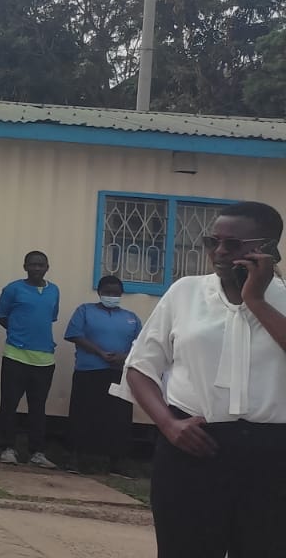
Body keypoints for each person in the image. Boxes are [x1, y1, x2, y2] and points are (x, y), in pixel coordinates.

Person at [119, 201, 286, 557]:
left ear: (268, 249)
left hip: (273, 456)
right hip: (191, 447)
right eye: (212, 242)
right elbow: (139, 368)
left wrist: (255, 300)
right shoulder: (185, 293)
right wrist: (168, 424)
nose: (219, 252)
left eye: (233, 244)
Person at [64, 275, 140, 476]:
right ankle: (75, 459)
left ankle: (117, 463)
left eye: (116, 293)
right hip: (89, 371)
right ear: (99, 292)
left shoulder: (131, 317)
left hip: (119, 373)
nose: (111, 296)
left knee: (118, 418)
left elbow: (141, 345)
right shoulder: (85, 310)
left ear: (121, 294)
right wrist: (99, 352)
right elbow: (74, 335)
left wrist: (124, 356)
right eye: (107, 292)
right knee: (83, 415)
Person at [0, 250, 61, 469]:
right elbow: (1, 316)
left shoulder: (54, 291)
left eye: (41, 265)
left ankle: (37, 452)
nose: (36, 268)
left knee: (38, 407)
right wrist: (17, 332)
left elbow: (50, 317)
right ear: (25, 266)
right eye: (32, 264)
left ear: (47, 267)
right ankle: (7, 448)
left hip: (44, 359)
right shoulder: (13, 289)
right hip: (15, 355)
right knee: (9, 404)